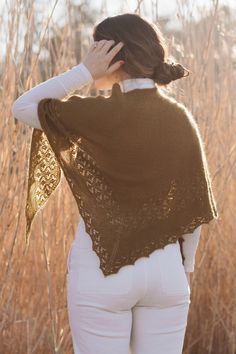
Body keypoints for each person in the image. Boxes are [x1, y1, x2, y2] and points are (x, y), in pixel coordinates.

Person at [11, 13, 218, 354]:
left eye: (95, 52)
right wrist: (184, 267)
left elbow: (23, 106)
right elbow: (191, 213)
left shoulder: (95, 114)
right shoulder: (180, 119)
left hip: (101, 272)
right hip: (167, 274)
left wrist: (83, 73)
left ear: (113, 57)